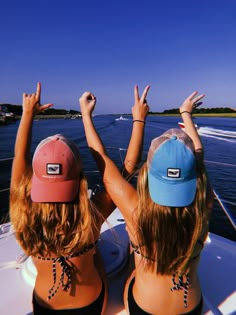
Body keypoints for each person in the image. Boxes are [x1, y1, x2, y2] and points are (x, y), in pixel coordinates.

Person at [10, 82, 150, 315]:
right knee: (97, 261)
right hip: (92, 306)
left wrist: (26, 114)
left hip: (45, 307)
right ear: (79, 179)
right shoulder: (90, 217)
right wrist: (90, 115)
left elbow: (19, 157)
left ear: (34, 180)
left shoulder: (22, 214)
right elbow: (125, 171)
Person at [80, 90, 214, 315]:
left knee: (135, 265)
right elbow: (198, 156)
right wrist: (186, 114)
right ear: (196, 178)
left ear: (147, 174)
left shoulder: (136, 212)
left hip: (144, 309)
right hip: (192, 307)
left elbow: (102, 160)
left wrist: (87, 115)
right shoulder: (204, 204)